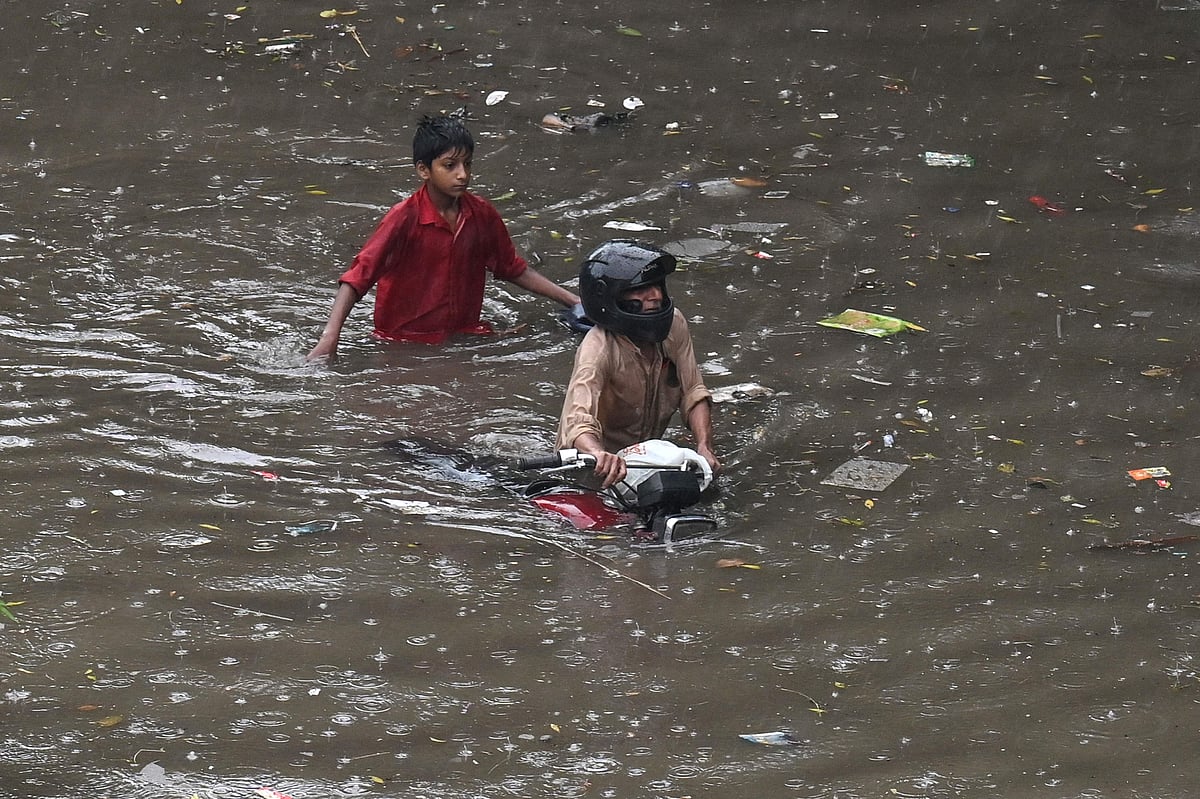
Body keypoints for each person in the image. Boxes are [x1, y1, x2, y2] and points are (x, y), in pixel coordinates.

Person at [307, 115, 586, 359]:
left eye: (467, 164)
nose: (462, 175)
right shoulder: (403, 218)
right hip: (401, 344)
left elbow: (512, 267)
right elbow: (356, 280)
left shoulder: (481, 214)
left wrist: (573, 301)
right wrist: (329, 339)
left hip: (462, 337)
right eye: (450, 165)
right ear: (423, 170)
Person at [556, 239, 719, 488]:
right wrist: (599, 454)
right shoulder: (597, 348)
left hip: (645, 461)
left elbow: (693, 392)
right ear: (610, 299)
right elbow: (578, 420)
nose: (655, 295)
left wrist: (704, 447)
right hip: (593, 468)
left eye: (656, 286)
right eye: (640, 290)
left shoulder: (674, 324)